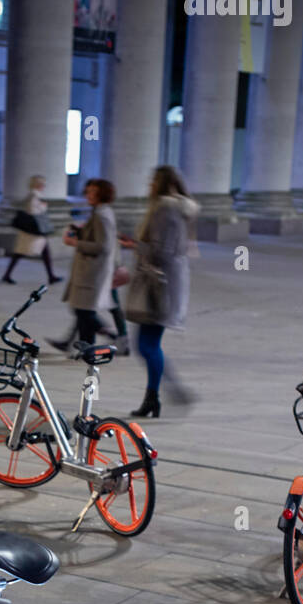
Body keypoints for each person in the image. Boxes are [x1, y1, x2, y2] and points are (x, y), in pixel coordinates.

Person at [120, 165, 199, 418]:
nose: (149, 185)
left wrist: (135, 244)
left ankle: (162, 394)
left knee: (146, 344)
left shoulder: (164, 208)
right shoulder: (176, 207)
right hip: (166, 283)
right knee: (147, 343)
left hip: (159, 285)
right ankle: (157, 395)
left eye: (152, 180)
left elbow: (160, 250)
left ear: (160, 183)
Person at [50, 177, 117, 351]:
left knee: (83, 311)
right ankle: (83, 346)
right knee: (83, 311)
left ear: (102, 193)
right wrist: (80, 231)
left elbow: (104, 246)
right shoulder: (99, 212)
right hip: (89, 270)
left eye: (93, 191)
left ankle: (109, 333)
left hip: (92, 271)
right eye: (88, 190)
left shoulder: (102, 215)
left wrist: (75, 243)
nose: (88, 194)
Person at [2, 175, 61, 285]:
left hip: (33, 231)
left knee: (41, 252)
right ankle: (7, 275)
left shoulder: (34, 194)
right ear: (38, 185)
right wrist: (43, 206)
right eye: (42, 184)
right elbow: (33, 210)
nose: (44, 186)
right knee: (20, 253)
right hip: (33, 231)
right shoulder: (35, 195)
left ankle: (51, 276)